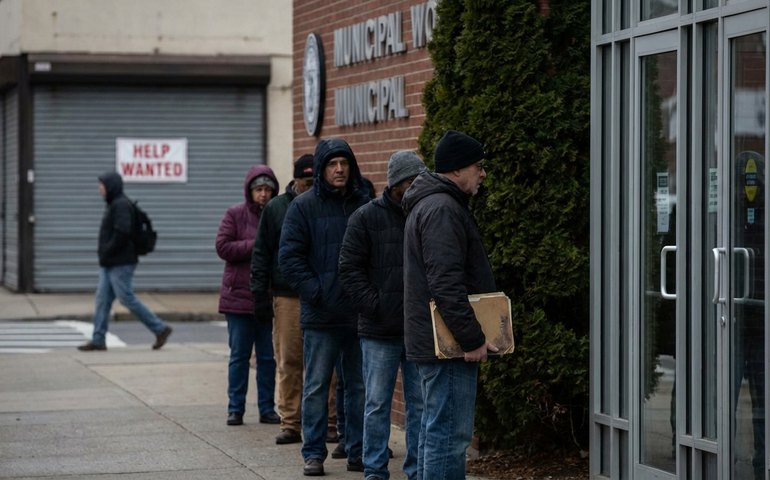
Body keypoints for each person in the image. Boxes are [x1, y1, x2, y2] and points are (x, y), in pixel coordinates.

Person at [402, 130, 498, 480]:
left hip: (436, 344)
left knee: (436, 432)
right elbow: (445, 284)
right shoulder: (442, 209)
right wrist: (471, 338)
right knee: (449, 437)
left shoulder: (433, 204)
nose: (482, 173)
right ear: (457, 170)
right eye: (478, 166)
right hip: (448, 348)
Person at [279, 138, 369, 476]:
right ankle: (313, 453)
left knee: (359, 386)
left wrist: (369, 297)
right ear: (321, 169)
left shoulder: (364, 204)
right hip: (320, 314)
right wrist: (315, 291)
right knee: (316, 385)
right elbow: (289, 257)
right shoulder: (303, 207)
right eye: (332, 164)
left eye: (344, 162)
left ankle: (357, 450)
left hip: (359, 314)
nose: (339, 169)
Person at [339, 150, 426, 480]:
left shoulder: (424, 212)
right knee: (376, 403)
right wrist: (376, 305)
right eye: (411, 181)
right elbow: (349, 269)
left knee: (419, 405)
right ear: (396, 184)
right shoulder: (365, 217)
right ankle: (374, 470)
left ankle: (416, 470)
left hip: (417, 328)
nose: (417, 186)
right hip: (378, 330)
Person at [250, 154, 315, 444]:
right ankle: (290, 422)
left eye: (314, 181)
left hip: (322, 295)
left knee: (326, 365)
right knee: (289, 361)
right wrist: (259, 295)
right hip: (287, 295)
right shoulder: (276, 208)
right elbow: (261, 254)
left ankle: (328, 422)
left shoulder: (326, 204)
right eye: (306, 181)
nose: (310, 187)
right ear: (295, 180)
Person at [78, 171, 172, 352]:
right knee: (102, 300)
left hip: (120, 262)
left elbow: (123, 232)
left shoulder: (120, 205)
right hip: (111, 262)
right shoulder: (115, 204)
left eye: (102, 185)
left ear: (111, 186)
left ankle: (160, 328)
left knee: (126, 298)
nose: (100, 189)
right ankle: (98, 339)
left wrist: (107, 250)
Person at [216, 164, 280, 427]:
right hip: (238, 298)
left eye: (267, 189)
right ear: (249, 191)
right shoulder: (235, 214)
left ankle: (267, 408)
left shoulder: (277, 215)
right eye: (258, 189)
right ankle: (235, 408)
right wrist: (256, 245)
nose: (263, 194)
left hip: (267, 298)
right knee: (239, 356)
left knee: (267, 358)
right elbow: (223, 246)